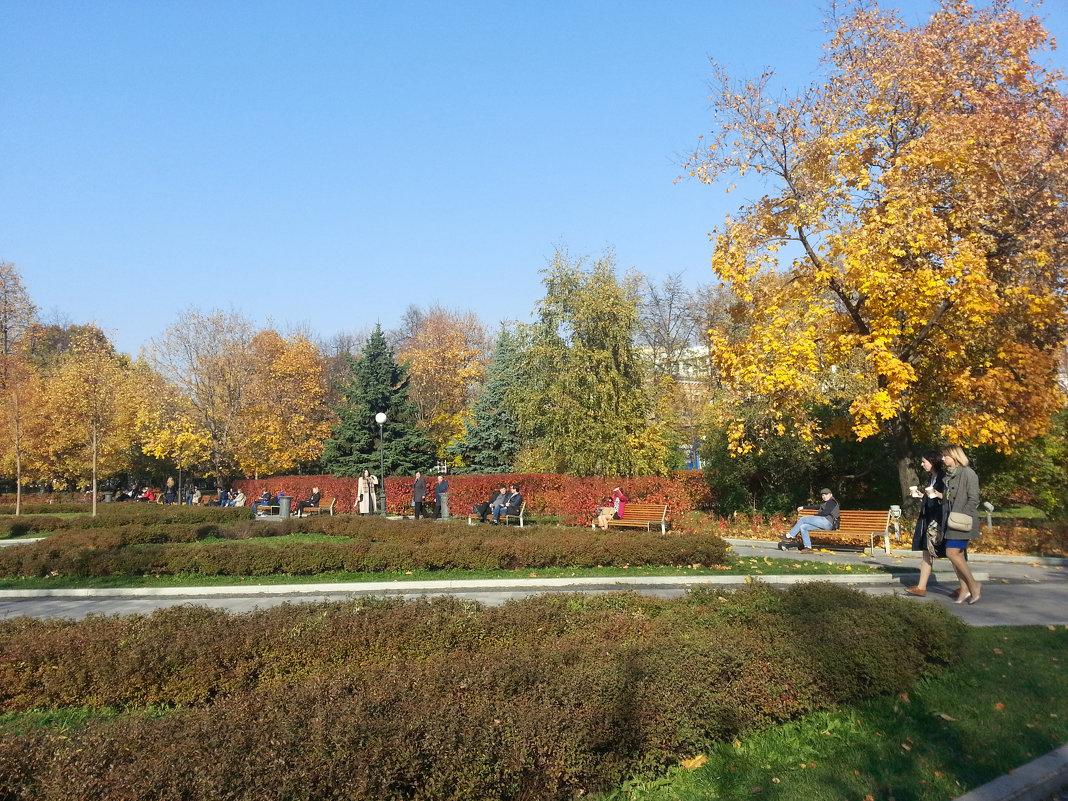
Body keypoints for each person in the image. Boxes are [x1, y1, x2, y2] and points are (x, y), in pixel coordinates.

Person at [940, 444, 983, 604]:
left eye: (945, 456)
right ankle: (964, 589)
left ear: (954, 456)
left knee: (952, 553)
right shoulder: (949, 475)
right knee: (956, 556)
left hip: (962, 521)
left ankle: (974, 585)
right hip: (950, 521)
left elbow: (974, 498)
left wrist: (962, 515)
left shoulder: (968, 473)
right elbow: (948, 499)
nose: (943, 459)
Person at [905, 451, 947, 597]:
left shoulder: (943, 478)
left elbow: (946, 498)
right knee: (926, 552)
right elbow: (932, 497)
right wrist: (921, 495)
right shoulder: (932, 478)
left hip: (938, 521)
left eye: (924, 462)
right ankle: (921, 587)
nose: (922, 465)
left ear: (933, 462)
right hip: (928, 519)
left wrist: (935, 494)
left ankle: (967, 585)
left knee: (953, 555)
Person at [779, 488, 839, 554]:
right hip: (824, 523)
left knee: (803, 519)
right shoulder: (826, 503)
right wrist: (803, 507)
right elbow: (816, 507)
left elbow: (825, 513)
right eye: (823, 495)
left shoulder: (832, 502)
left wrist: (814, 516)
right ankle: (808, 547)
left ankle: (789, 536)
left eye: (826, 494)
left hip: (828, 523)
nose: (824, 496)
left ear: (831, 495)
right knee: (803, 527)